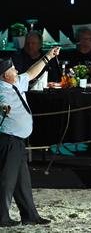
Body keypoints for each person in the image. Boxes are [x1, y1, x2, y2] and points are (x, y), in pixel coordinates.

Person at [0, 46, 60, 227]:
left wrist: (48, 57)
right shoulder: (1, 91)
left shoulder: (15, 82)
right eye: (12, 69)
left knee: (22, 181)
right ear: (4, 75)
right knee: (6, 180)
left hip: (17, 141)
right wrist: (3, 109)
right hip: (7, 139)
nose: (16, 70)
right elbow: (2, 105)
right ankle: (1, 217)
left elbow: (31, 73)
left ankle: (30, 215)